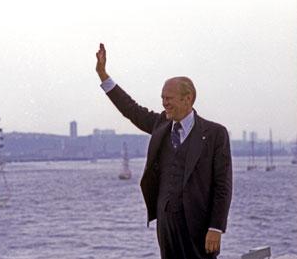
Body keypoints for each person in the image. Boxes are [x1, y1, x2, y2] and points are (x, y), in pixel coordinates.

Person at [95, 43, 232, 259]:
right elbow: (131, 109)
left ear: (187, 99)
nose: (164, 103)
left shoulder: (215, 134)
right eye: (162, 98)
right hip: (166, 224)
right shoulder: (160, 125)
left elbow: (222, 186)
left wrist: (216, 227)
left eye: (169, 98)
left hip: (200, 227)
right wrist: (104, 76)